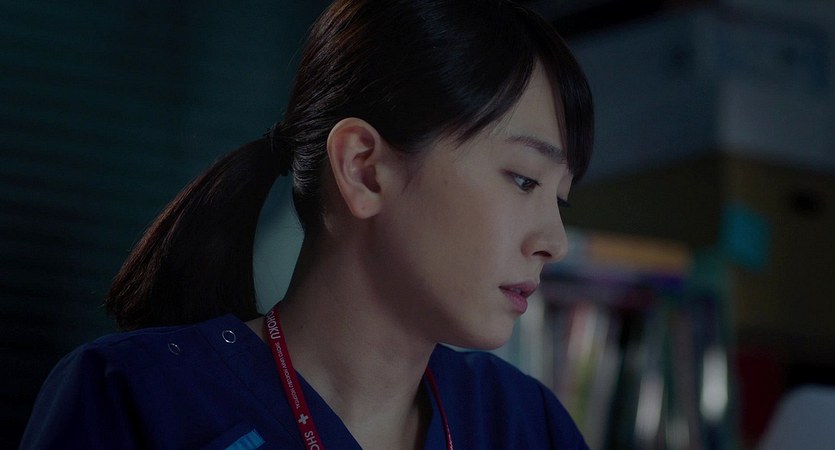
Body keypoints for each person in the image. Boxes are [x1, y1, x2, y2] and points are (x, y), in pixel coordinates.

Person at [21, 0, 594, 448]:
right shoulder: (132, 400)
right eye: (525, 180)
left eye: (560, 200)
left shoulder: (528, 426)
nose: (555, 242)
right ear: (364, 170)